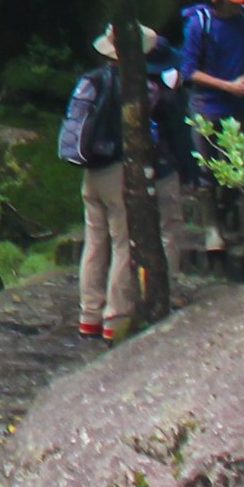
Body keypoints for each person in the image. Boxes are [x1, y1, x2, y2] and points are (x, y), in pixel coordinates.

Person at [58, 28, 157, 339]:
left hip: (91, 171)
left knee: (94, 241)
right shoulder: (132, 85)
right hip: (116, 169)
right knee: (122, 242)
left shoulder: (91, 79)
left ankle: (89, 314)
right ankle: (115, 317)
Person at [169, 0, 244, 261]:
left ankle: (222, 215)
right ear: (217, 1)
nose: (239, 4)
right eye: (233, 0)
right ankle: (212, 229)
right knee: (207, 171)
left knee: (239, 168)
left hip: (239, 106)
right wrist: (228, 86)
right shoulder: (199, 25)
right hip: (207, 106)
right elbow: (189, 71)